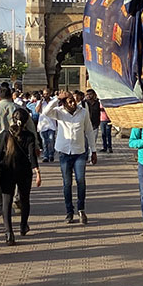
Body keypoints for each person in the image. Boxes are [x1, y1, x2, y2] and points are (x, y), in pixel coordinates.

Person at [41, 90, 96, 224]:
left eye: (74, 101)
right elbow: (46, 112)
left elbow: (88, 130)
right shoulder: (59, 112)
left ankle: (81, 209)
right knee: (67, 183)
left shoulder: (83, 112)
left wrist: (93, 151)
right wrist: (56, 98)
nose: (73, 103)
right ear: (64, 103)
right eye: (70, 101)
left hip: (79, 151)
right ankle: (69, 211)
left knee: (81, 180)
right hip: (64, 151)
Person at [0, 85, 40, 215]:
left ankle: (1, 205)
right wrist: (36, 146)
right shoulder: (20, 110)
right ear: (11, 95)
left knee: (1, 176)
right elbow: (32, 130)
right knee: (19, 175)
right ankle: (17, 198)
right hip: (20, 148)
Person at [0, 108, 40, 245]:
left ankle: (9, 233)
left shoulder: (5, 134)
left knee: (6, 202)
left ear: (12, 119)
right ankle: (23, 226)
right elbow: (32, 156)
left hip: (7, 171)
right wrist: (37, 172)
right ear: (26, 121)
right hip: (24, 172)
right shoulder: (30, 136)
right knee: (24, 200)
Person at [37, 91, 58, 163]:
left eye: (47, 94)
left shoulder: (53, 102)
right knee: (44, 141)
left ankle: (51, 154)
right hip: (42, 125)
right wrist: (40, 102)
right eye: (44, 94)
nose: (46, 95)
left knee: (51, 140)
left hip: (51, 124)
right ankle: (46, 156)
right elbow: (37, 110)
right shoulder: (40, 102)